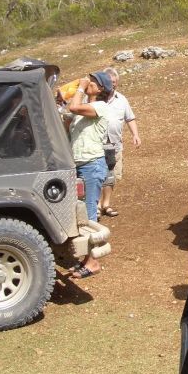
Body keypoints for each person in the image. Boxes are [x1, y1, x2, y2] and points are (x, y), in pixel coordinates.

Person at [66, 70, 114, 278]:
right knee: (80, 214)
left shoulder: (101, 106)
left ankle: (93, 262)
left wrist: (79, 87)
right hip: (79, 164)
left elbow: (74, 107)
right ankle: (84, 258)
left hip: (91, 165)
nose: (88, 83)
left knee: (89, 213)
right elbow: (69, 118)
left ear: (101, 88)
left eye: (92, 81)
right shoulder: (84, 109)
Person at [98, 67, 141, 218]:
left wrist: (135, 135)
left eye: (115, 82)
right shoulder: (94, 98)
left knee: (111, 176)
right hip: (96, 144)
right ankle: (96, 205)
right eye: (110, 82)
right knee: (97, 175)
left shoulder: (121, 99)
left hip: (115, 144)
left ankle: (106, 204)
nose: (113, 85)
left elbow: (130, 118)